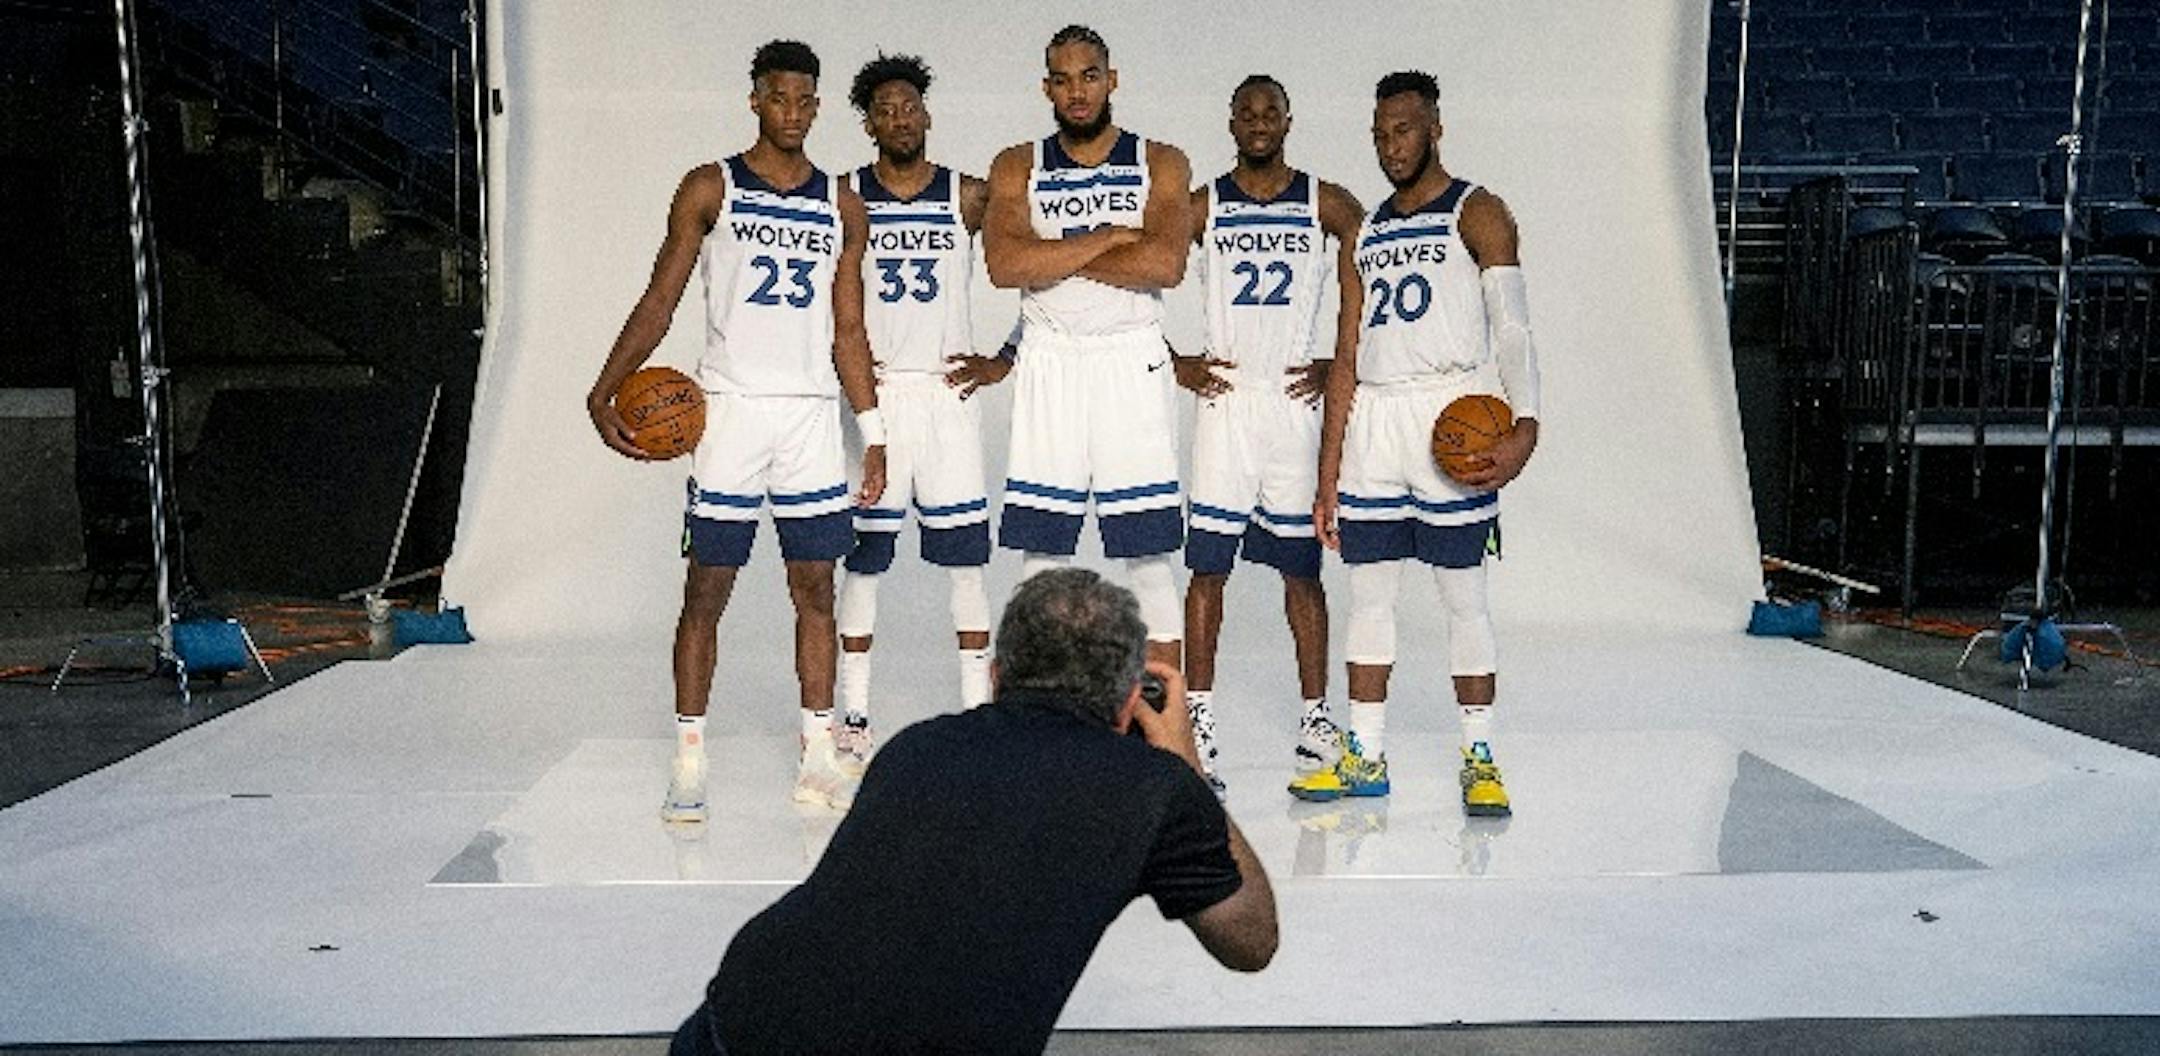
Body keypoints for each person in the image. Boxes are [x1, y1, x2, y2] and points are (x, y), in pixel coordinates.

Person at [670, 568, 1278, 1054]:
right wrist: (1187, 767)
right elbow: (1252, 940)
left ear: (995, 676)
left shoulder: (919, 746)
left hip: (732, 1023)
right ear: (1130, 701)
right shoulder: (1157, 789)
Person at [585, 40, 885, 820]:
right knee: (706, 591)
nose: (793, 112)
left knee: (815, 588)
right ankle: (689, 760)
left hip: (812, 417)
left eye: (806, 100)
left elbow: (848, 330)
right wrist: (604, 389)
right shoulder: (710, 187)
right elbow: (661, 300)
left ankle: (819, 755)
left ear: (818, 107)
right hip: (728, 416)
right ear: (755, 100)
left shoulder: (841, 204)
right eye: (779, 97)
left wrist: (874, 430)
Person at [1300, 70, 1541, 817]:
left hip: (1451, 412)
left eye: (1401, 130)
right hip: (1377, 421)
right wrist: (1327, 473)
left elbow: (1514, 328)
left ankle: (1479, 755)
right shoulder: (1365, 230)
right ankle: (1366, 756)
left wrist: (1525, 422)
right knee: (1369, 598)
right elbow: (1345, 356)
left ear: (1434, 127)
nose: (1389, 145)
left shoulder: (1478, 210)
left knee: (1463, 597)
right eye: (1378, 134)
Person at [1175, 73, 1365, 797]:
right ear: (1231, 122)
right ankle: (1198, 719)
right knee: (1208, 571)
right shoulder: (1204, 204)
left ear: (1289, 119)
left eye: (1269, 111)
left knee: (1302, 572)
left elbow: (1378, 262)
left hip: (1290, 399)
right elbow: (1136, 270)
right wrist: (1176, 359)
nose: (1258, 122)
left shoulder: (1327, 201)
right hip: (1227, 400)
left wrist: (1341, 359)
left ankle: (1317, 721)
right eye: (1246, 112)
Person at [982, 25, 1193, 670]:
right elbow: (1003, 263)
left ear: (1112, 79)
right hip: (1051, 359)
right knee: (1043, 555)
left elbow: (1164, 263)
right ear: (1047, 86)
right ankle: (1028, 725)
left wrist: (1053, 258)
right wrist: (1106, 237)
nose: (1077, 91)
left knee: (1149, 556)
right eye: (1063, 78)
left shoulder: (1161, 160)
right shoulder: (1018, 163)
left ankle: (1169, 734)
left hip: (1130, 359)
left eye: (1089, 76)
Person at [834, 52, 1019, 744]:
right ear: (867, 124)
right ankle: (853, 716)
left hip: (947, 400)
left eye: (909, 105)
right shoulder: (844, 196)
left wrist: (1007, 355)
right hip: (874, 401)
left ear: (927, 113)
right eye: (884, 109)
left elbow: (1039, 262)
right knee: (864, 562)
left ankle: (978, 713)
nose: (900, 117)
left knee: (966, 563)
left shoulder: (967, 195)